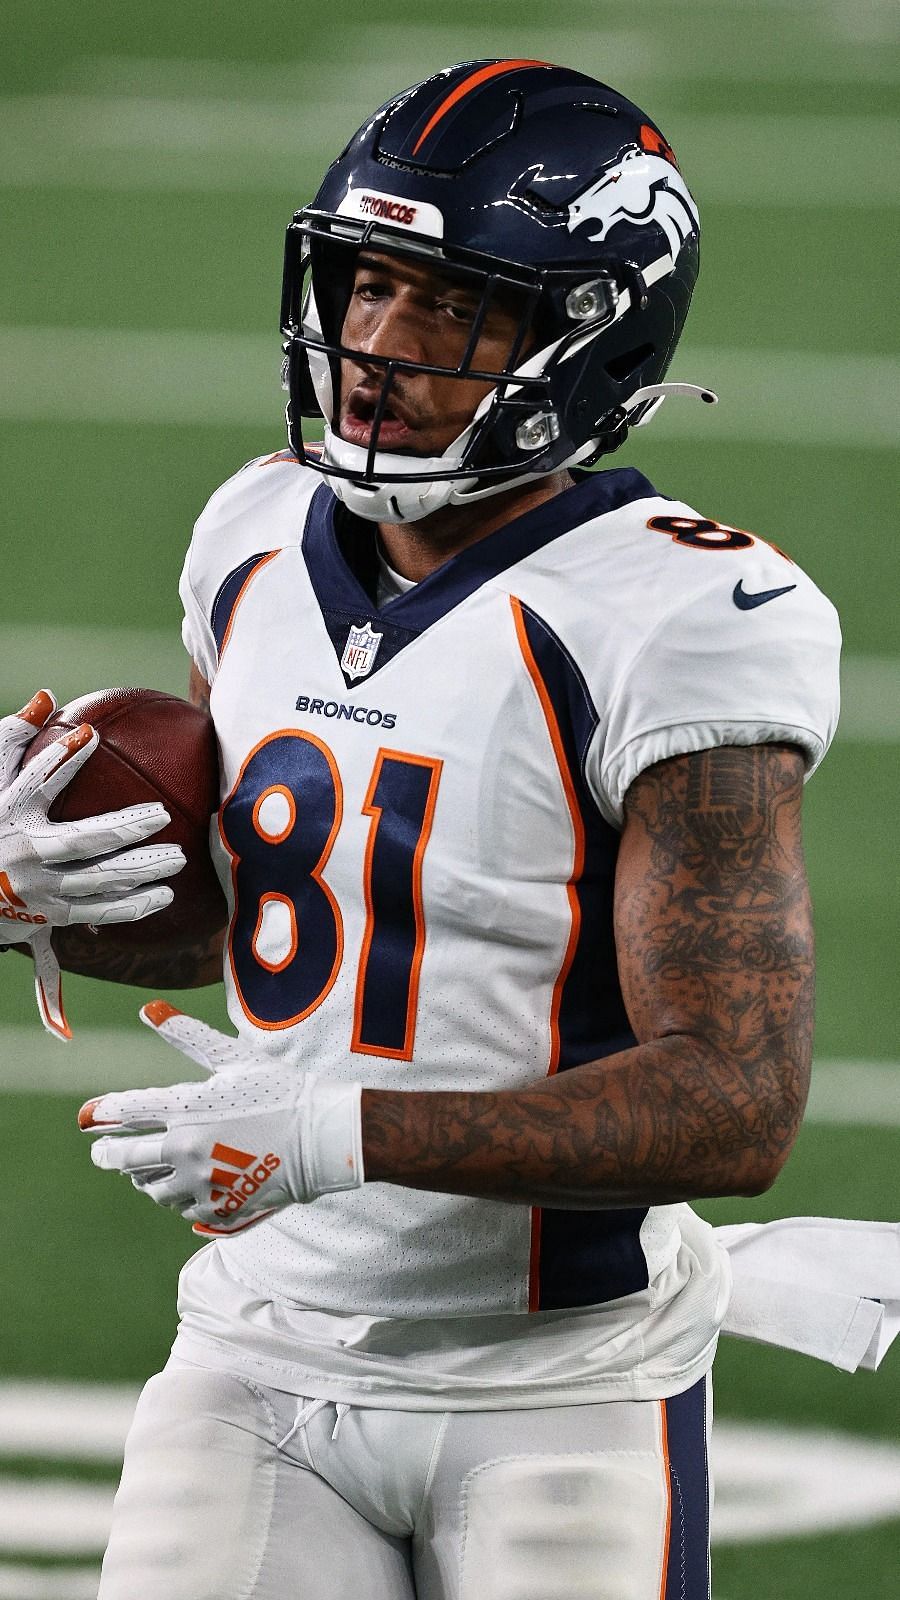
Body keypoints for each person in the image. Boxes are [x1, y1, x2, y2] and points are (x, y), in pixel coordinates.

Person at [0, 60, 850, 1600]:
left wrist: (335, 1137)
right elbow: (281, 934)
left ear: (587, 340)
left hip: (559, 1384)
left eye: (445, 310)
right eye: (365, 285)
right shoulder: (252, 531)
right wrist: (55, 887)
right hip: (259, 1347)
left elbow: (736, 1102)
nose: (374, 351)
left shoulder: (681, 616)